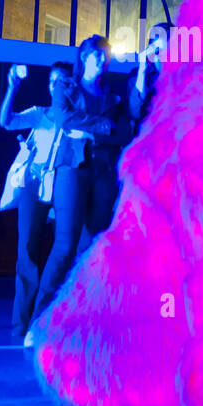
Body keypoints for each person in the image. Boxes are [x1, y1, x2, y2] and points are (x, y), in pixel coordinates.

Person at [0, 61, 111, 340]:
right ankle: (20, 323)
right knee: (27, 250)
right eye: (52, 81)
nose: (56, 86)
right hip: (36, 188)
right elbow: (7, 121)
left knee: (67, 248)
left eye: (62, 81)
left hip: (66, 186)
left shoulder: (77, 114)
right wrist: (12, 88)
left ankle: (53, 317)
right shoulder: (41, 114)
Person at [70, 35, 133, 257]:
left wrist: (90, 133)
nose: (103, 60)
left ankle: (88, 285)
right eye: (98, 54)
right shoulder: (69, 89)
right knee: (68, 239)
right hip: (74, 167)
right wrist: (104, 126)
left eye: (106, 55)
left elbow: (124, 133)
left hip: (105, 168)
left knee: (98, 234)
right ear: (84, 57)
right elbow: (66, 120)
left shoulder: (113, 96)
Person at [129, 22, 170, 136]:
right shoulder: (138, 76)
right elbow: (135, 112)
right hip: (148, 136)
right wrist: (142, 69)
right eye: (160, 50)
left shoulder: (181, 76)